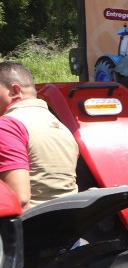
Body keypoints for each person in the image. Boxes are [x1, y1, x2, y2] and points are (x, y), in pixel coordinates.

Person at [0, 61, 78, 209]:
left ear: (15, 91)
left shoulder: (8, 126)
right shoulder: (61, 127)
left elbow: (19, 199)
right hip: (67, 223)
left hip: (28, 227)